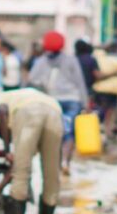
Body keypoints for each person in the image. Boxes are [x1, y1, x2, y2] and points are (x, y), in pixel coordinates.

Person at [0, 88, 62, 214]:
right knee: (52, 173)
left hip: (29, 112)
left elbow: (2, 110)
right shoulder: (18, 94)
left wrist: (6, 150)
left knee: (21, 171)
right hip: (55, 110)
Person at [27, 31, 88, 175]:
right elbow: (80, 82)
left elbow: (31, 81)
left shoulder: (41, 61)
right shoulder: (71, 60)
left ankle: (55, 162)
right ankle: (65, 161)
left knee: (54, 132)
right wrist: (85, 103)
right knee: (68, 132)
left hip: (51, 102)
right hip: (72, 100)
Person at [91, 42, 117, 138]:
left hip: (99, 89)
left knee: (101, 110)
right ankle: (106, 129)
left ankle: (101, 129)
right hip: (112, 90)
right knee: (109, 111)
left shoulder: (97, 58)